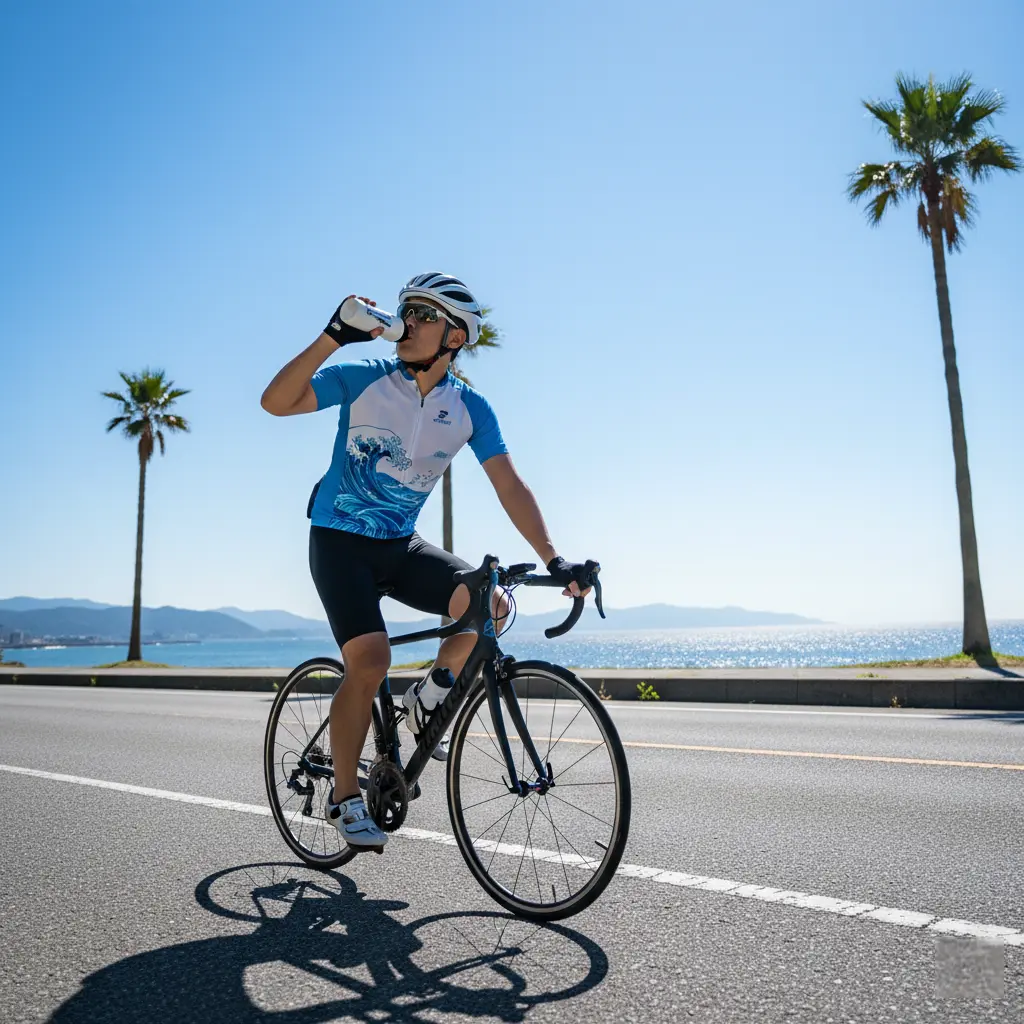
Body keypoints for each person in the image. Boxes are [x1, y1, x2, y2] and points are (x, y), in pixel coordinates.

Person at [261, 272, 594, 849]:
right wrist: (333, 335)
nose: (406, 321)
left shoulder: (469, 408)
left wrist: (555, 558)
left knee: (487, 603)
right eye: (404, 311)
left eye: (422, 313)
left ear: (455, 336)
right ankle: (343, 797)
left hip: (400, 544)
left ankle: (431, 693)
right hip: (340, 541)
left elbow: (510, 485)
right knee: (369, 661)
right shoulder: (363, 377)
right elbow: (276, 402)